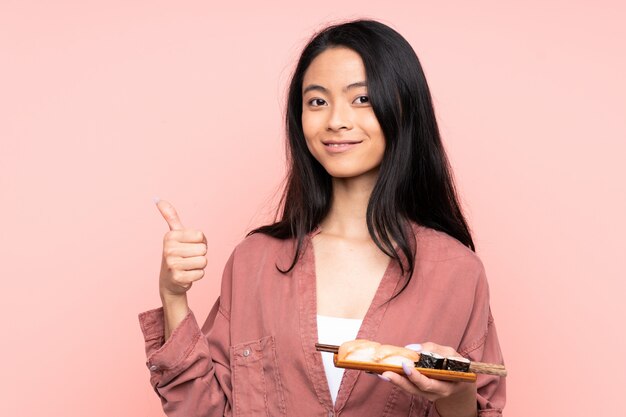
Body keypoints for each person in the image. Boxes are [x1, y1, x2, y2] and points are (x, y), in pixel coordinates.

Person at [139, 19, 506, 417]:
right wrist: (173, 296)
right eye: (317, 101)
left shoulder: (458, 273)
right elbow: (201, 410)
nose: (335, 120)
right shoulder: (255, 261)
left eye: (361, 99)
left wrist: (453, 396)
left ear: (403, 107)